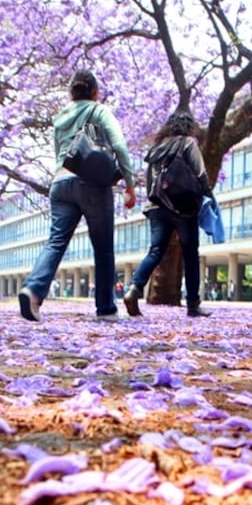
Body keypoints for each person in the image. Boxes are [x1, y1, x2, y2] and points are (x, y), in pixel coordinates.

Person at [19, 69, 137, 322]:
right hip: (91, 183)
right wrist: (129, 184)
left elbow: (58, 154)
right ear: (95, 92)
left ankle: (32, 290)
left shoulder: (60, 118)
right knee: (103, 247)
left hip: (60, 182)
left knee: (56, 241)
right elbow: (119, 145)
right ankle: (106, 309)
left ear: (71, 93)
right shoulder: (98, 110)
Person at [123, 111, 214, 318]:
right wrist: (207, 194)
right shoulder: (188, 143)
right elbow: (200, 173)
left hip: (157, 206)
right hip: (183, 208)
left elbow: (150, 182)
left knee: (155, 251)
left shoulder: (157, 148)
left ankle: (134, 289)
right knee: (190, 254)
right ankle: (193, 305)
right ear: (189, 127)